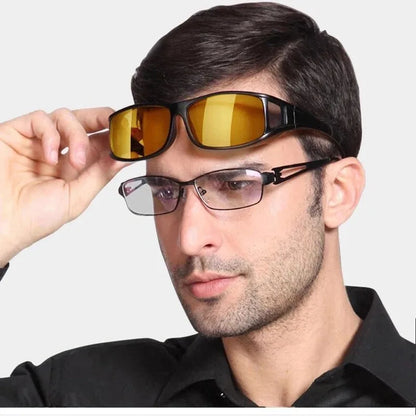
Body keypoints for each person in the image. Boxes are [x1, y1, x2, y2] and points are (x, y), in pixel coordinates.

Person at [0, 1, 414, 408]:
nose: (189, 237)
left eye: (235, 185)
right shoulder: (74, 396)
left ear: (338, 191)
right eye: (165, 191)